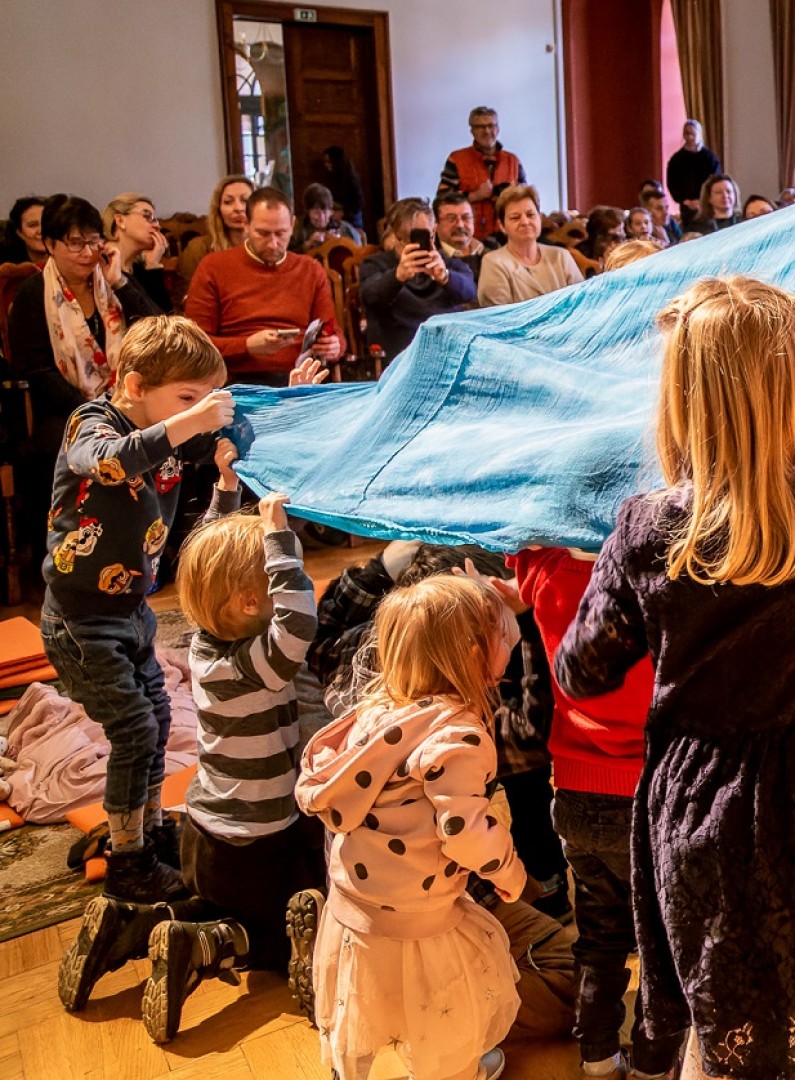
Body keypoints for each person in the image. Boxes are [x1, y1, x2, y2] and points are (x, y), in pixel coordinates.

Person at [554, 279, 795, 1078]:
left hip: (710, 810)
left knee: (726, 1025)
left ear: (680, 400)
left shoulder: (645, 529)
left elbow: (582, 672)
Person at [295, 574, 529, 1080]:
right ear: (473, 655)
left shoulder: (374, 712)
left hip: (351, 909)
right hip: (420, 919)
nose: (509, 641)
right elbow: (464, 833)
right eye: (503, 636)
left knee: (364, 1005)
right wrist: (509, 870)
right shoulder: (458, 736)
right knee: (443, 1020)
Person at [38, 316, 234, 903]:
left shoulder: (168, 435)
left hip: (131, 611)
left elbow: (220, 452)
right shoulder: (91, 422)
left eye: (203, 400)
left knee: (157, 722)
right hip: (80, 620)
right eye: (186, 398)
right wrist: (189, 422)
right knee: (134, 731)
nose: (196, 412)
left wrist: (227, 469)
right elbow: (109, 462)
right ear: (133, 385)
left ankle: (145, 832)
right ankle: (129, 863)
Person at [137, 475, 325, 1043]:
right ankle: (210, 945)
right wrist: (280, 543)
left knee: (223, 904)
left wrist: (224, 493)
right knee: (280, 932)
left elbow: (208, 559)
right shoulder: (258, 664)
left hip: (205, 831)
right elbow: (299, 624)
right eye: (273, 585)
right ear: (249, 603)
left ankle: (152, 925)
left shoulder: (204, 640)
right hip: (260, 837)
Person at [504, 545, 686, 1080]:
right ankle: (653, 1063)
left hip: (575, 793)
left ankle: (598, 1057)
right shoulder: (658, 569)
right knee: (660, 946)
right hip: (650, 794)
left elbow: (519, 559)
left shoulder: (546, 571)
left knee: (599, 936)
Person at [7, 195, 166, 460]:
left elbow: (160, 332)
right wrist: (94, 410)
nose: (88, 253)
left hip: (129, 398)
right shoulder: (32, 293)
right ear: (50, 244)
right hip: (65, 411)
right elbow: (37, 371)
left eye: (94, 241)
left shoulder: (112, 279)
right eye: (76, 243)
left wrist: (119, 283)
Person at [184, 187, 344, 385]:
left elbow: (332, 330)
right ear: (246, 224)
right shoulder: (214, 267)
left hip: (300, 378)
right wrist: (246, 346)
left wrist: (334, 345)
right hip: (236, 380)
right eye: (263, 233)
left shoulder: (310, 269)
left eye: (281, 233)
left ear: (292, 225)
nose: (273, 244)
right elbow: (194, 345)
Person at [359, 197, 476, 357]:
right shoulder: (376, 264)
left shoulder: (446, 263)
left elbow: (470, 292)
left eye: (424, 235)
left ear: (433, 231)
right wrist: (397, 277)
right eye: (410, 237)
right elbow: (369, 298)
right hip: (400, 352)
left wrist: (445, 277)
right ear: (396, 235)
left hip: (446, 349)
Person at [477, 185, 584, 306]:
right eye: (515, 217)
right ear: (502, 226)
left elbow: (581, 304)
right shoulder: (494, 263)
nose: (525, 222)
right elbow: (500, 315)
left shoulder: (562, 256)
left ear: (540, 218)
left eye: (530, 214)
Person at [438, 106, 528, 240]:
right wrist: (475, 195)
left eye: (491, 126)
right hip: (469, 237)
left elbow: (525, 200)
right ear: (472, 131)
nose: (486, 131)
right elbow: (442, 199)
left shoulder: (513, 161)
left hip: (508, 236)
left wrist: (505, 197)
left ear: (498, 129)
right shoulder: (457, 159)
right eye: (480, 127)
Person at [178, 176, 253, 286]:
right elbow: (189, 293)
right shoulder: (198, 248)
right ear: (218, 209)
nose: (238, 208)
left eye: (245, 201)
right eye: (228, 202)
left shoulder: (268, 246)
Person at [103, 193, 172, 312]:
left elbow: (165, 318)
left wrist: (153, 265)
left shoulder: (140, 271)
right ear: (120, 221)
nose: (157, 226)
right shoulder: (102, 265)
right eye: (148, 216)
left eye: (156, 220)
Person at [665, 118, 722, 224]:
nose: (690, 137)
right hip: (686, 206)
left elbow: (716, 179)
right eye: (687, 133)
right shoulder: (676, 159)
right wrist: (683, 200)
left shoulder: (710, 158)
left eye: (693, 133)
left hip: (707, 204)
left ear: (700, 134)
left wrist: (703, 199)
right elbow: (672, 183)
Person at [290, 183, 365, 251]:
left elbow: (358, 252)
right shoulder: (299, 229)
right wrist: (307, 244)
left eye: (325, 211)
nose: (321, 217)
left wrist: (339, 242)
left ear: (331, 212)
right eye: (316, 212)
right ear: (308, 212)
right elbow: (288, 254)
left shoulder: (344, 228)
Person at [435, 190, 492, 278]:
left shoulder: (493, 249)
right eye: (451, 218)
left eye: (466, 217)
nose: (460, 225)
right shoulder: (430, 260)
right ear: (435, 225)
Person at [320, 146, 365, 230]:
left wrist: (343, 213)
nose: (326, 164)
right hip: (336, 220)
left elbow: (358, 204)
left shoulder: (351, 179)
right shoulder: (330, 177)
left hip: (352, 220)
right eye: (325, 162)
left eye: (329, 162)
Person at [3, 195, 48, 266]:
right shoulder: (7, 266)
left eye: (46, 223)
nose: (41, 230)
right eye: (32, 225)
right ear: (19, 232)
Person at [638, 180, 681, 244]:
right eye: (659, 209)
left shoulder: (670, 222)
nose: (666, 213)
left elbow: (681, 241)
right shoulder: (644, 233)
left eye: (666, 207)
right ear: (647, 212)